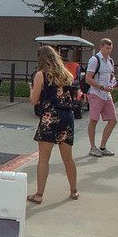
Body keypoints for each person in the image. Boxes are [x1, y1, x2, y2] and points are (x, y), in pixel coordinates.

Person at [27, 46, 79, 204]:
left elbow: (34, 101)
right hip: (67, 116)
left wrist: (31, 91)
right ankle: (73, 190)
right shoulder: (66, 73)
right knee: (68, 157)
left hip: (50, 117)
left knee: (44, 158)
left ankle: (39, 195)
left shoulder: (40, 75)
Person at [82, 37, 118, 157]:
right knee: (94, 120)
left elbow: (111, 75)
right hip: (96, 94)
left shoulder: (110, 61)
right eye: (107, 48)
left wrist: (112, 82)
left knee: (113, 120)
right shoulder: (95, 60)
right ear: (101, 47)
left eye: (110, 48)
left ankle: (102, 146)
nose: (109, 50)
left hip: (106, 94)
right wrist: (101, 87)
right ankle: (92, 147)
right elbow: (88, 78)